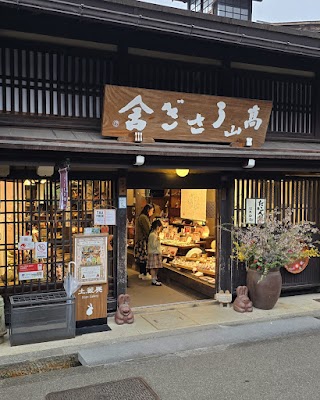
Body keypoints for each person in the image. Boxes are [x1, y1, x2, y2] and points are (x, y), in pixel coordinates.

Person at [134, 203, 154, 280]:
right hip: (143, 241)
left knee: (141, 258)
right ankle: (145, 273)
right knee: (144, 258)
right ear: (148, 210)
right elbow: (148, 229)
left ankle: (142, 273)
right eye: (152, 211)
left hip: (139, 240)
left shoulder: (140, 217)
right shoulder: (144, 218)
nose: (152, 213)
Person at [147, 219, 163, 286]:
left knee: (156, 267)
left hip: (155, 252)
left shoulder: (154, 234)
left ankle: (155, 278)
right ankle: (153, 279)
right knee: (153, 267)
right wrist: (158, 239)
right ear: (157, 227)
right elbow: (153, 245)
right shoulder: (153, 235)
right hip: (154, 253)